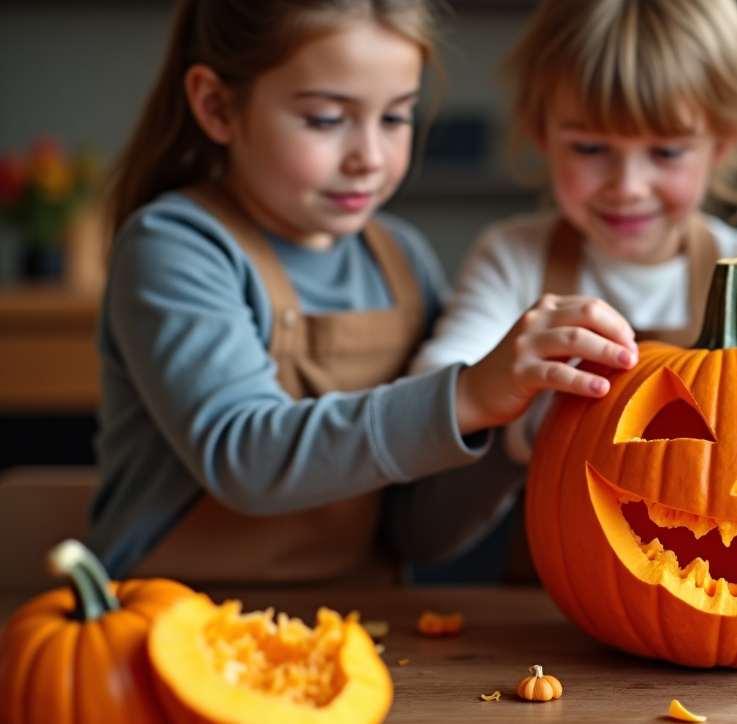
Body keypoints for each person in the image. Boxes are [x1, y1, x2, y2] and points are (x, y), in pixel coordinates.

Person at [88, 0, 638, 584]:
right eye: (326, 119)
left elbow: (417, 533)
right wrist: (465, 396)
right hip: (167, 615)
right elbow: (244, 458)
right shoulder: (174, 246)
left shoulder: (400, 257)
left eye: (396, 118)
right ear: (217, 106)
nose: (369, 158)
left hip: (359, 622)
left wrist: (513, 433)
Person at [410, 0, 737, 465]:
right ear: (542, 134)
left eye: (666, 152)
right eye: (590, 148)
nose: (627, 187)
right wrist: (496, 382)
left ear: (721, 144)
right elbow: (426, 401)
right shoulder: (512, 257)